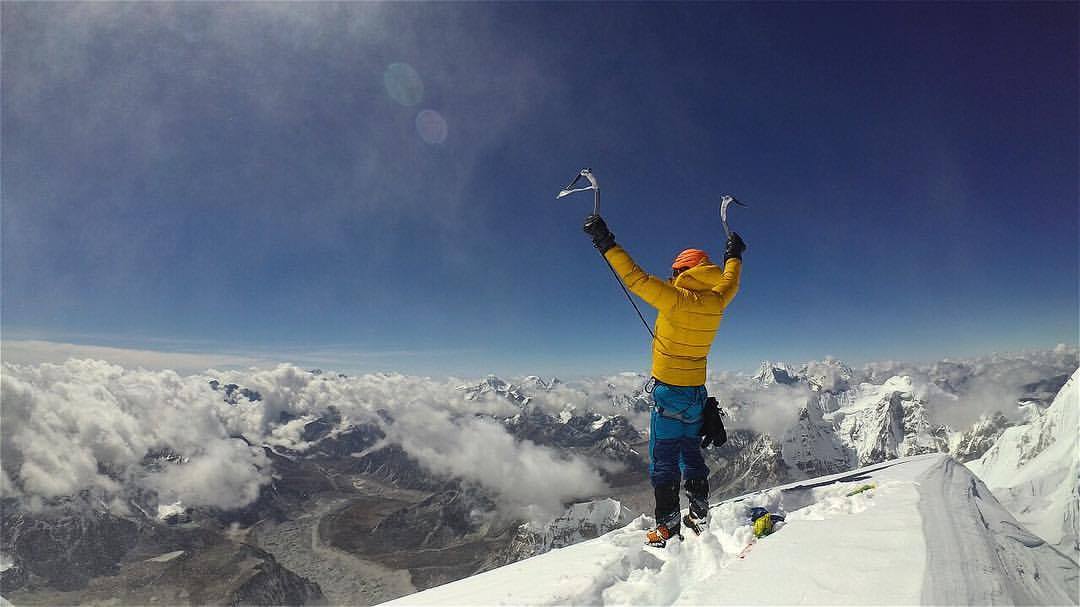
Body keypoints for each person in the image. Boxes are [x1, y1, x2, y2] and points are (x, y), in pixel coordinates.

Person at [583, 214, 744, 547]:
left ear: (683, 271)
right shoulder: (716, 301)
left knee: (665, 458)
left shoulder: (674, 298)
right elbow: (731, 281)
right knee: (691, 454)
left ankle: (668, 528)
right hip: (697, 394)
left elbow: (634, 277)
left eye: (674, 272)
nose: (671, 277)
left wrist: (605, 242)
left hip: (669, 394)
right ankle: (699, 515)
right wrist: (734, 254)